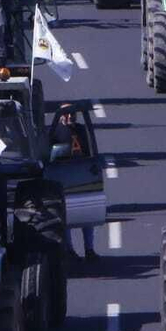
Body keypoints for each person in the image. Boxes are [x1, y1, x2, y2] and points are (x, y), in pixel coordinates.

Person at [53, 110, 100, 262]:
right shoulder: (56, 131)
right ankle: (70, 249)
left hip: (83, 172)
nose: (70, 117)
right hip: (64, 175)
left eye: (72, 114)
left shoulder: (81, 129)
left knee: (88, 214)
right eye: (66, 114)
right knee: (67, 215)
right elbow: (52, 154)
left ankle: (89, 249)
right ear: (61, 116)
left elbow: (88, 149)